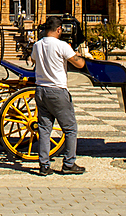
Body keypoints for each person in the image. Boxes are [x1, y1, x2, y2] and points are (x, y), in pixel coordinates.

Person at [31, 16, 86, 176]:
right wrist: (77, 54)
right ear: (59, 29)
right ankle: (69, 163)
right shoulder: (62, 46)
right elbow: (79, 64)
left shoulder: (37, 45)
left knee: (44, 129)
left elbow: (33, 60)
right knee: (70, 128)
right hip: (57, 91)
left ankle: (44, 165)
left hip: (40, 90)